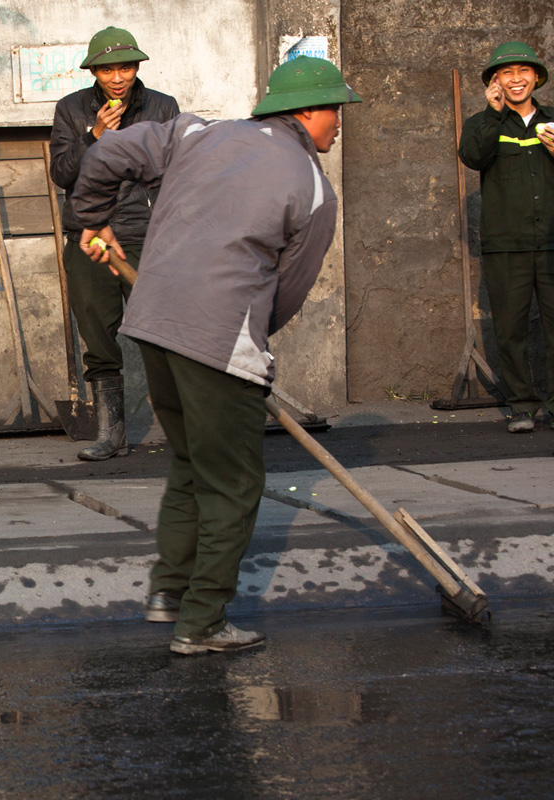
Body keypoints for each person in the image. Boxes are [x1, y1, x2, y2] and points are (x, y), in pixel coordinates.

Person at [72, 57, 361, 654]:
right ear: (305, 111)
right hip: (216, 339)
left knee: (190, 462)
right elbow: (286, 293)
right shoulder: (314, 187)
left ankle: (168, 593)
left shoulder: (198, 131)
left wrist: (93, 218)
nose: (338, 123)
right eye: (335, 110)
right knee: (233, 483)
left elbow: (106, 155)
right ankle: (202, 623)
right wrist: (245, 349)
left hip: (151, 319)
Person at [49, 27, 180, 460]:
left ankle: (187, 428)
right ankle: (112, 435)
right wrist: (94, 138)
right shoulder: (71, 110)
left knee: (162, 331)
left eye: (125, 67)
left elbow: (172, 172)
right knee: (97, 333)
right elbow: (63, 175)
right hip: (89, 237)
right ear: (94, 72)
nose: (118, 77)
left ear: (137, 67)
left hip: (143, 236)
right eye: (108, 69)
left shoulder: (162, 107)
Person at [458, 42, 554, 434]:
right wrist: (493, 112)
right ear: (494, 82)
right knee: (510, 329)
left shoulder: (552, 121)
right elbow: (473, 157)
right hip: (505, 246)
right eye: (507, 73)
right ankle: (522, 406)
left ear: (536, 78)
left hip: (551, 242)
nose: (516, 79)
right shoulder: (485, 124)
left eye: (523, 71)